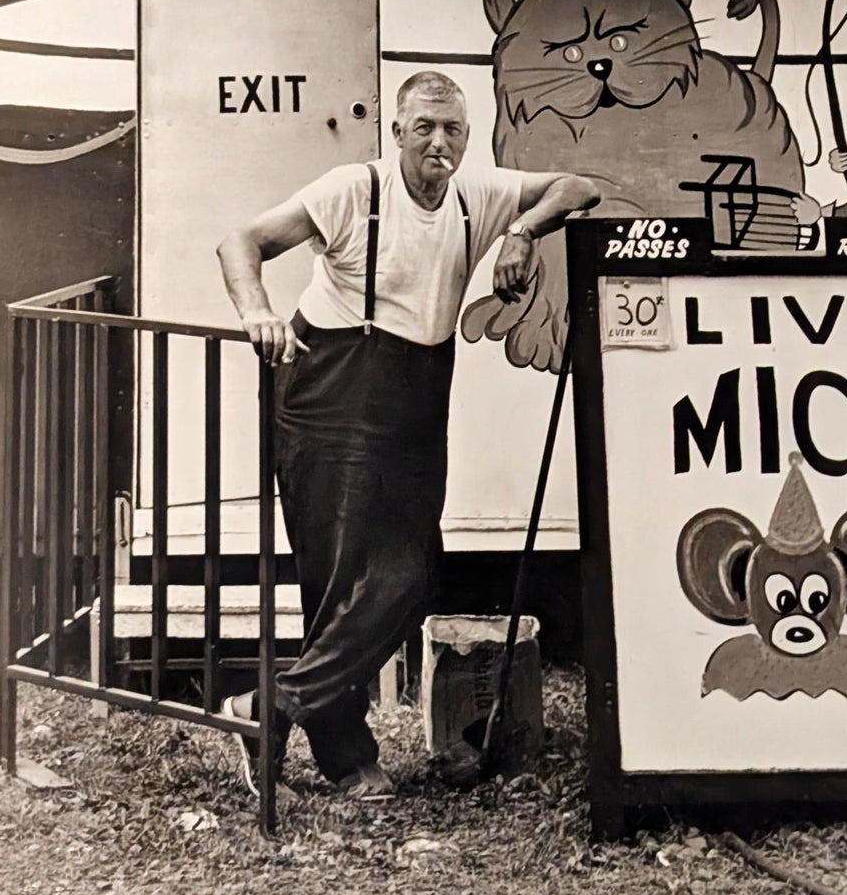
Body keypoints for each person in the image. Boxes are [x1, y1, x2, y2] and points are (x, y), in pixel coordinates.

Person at [216, 71, 601, 798]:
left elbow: (578, 187)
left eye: (451, 128)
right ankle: (346, 757)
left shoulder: (477, 195)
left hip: (415, 395)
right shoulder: (351, 188)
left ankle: (266, 708)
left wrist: (521, 232)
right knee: (339, 582)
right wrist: (255, 312)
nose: (437, 141)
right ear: (395, 133)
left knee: (413, 571)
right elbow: (243, 241)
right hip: (331, 387)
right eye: (422, 126)